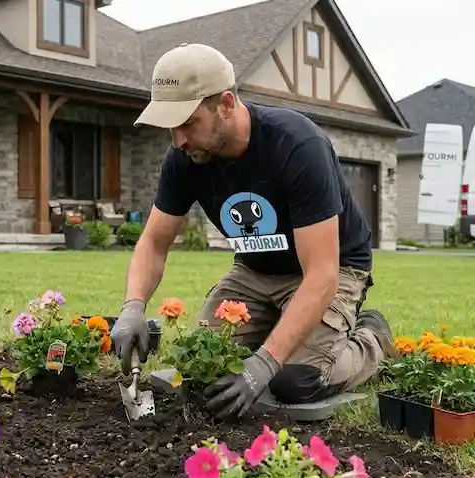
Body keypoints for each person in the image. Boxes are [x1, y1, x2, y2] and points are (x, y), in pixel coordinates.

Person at [110, 42, 398, 420]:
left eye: (188, 123)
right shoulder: (184, 157)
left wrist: (264, 363)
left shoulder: (297, 145)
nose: (178, 140)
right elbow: (153, 242)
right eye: (170, 128)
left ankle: (373, 337)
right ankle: (282, 332)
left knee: (293, 380)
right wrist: (133, 307)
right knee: (202, 365)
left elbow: (321, 274)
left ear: (226, 104)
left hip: (331, 269)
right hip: (255, 270)